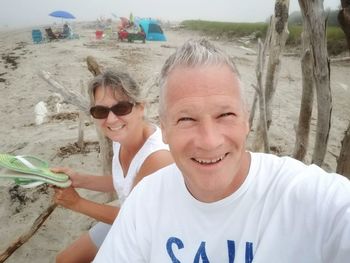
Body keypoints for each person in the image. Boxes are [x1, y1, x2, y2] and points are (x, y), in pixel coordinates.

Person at [93, 39, 350, 262]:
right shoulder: (145, 201)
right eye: (186, 119)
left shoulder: (307, 198)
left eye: (225, 114)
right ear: (165, 129)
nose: (209, 141)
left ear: (246, 119)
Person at [53, 69, 173, 263]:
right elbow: (123, 181)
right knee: (65, 260)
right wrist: (76, 178)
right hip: (127, 218)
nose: (111, 119)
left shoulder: (157, 158)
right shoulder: (122, 137)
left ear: (141, 107)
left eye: (122, 108)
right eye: (100, 111)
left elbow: (136, 222)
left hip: (151, 236)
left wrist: (77, 203)